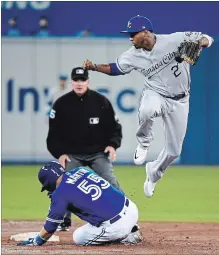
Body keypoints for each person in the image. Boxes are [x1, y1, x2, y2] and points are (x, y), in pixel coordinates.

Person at [83, 15, 214, 198]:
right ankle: (144, 143)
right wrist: (95, 67)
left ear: (146, 32)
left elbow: (209, 38)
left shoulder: (173, 39)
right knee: (146, 110)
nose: (130, 37)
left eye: (133, 34)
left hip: (180, 100)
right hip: (156, 93)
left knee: (174, 151)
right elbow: (116, 68)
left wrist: (200, 42)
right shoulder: (132, 54)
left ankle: (153, 173)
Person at [46, 67, 123, 231]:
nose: (79, 83)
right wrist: (59, 153)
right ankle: (62, 220)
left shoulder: (100, 101)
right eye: (76, 80)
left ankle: (124, 213)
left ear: (88, 82)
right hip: (72, 154)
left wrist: (112, 145)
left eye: (82, 80)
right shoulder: (61, 104)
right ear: (71, 82)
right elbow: (53, 135)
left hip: (97, 153)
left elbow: (114, 127)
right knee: (63, 183)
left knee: (110, 180)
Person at [17, 161, 142, 246]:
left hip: (117, 226)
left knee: (78, 236)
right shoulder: (80, 170)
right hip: (132, 209)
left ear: (48, 182)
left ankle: (125, 237)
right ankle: (132, 228)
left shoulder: (60, 193)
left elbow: (50, 228)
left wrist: (37, 241)